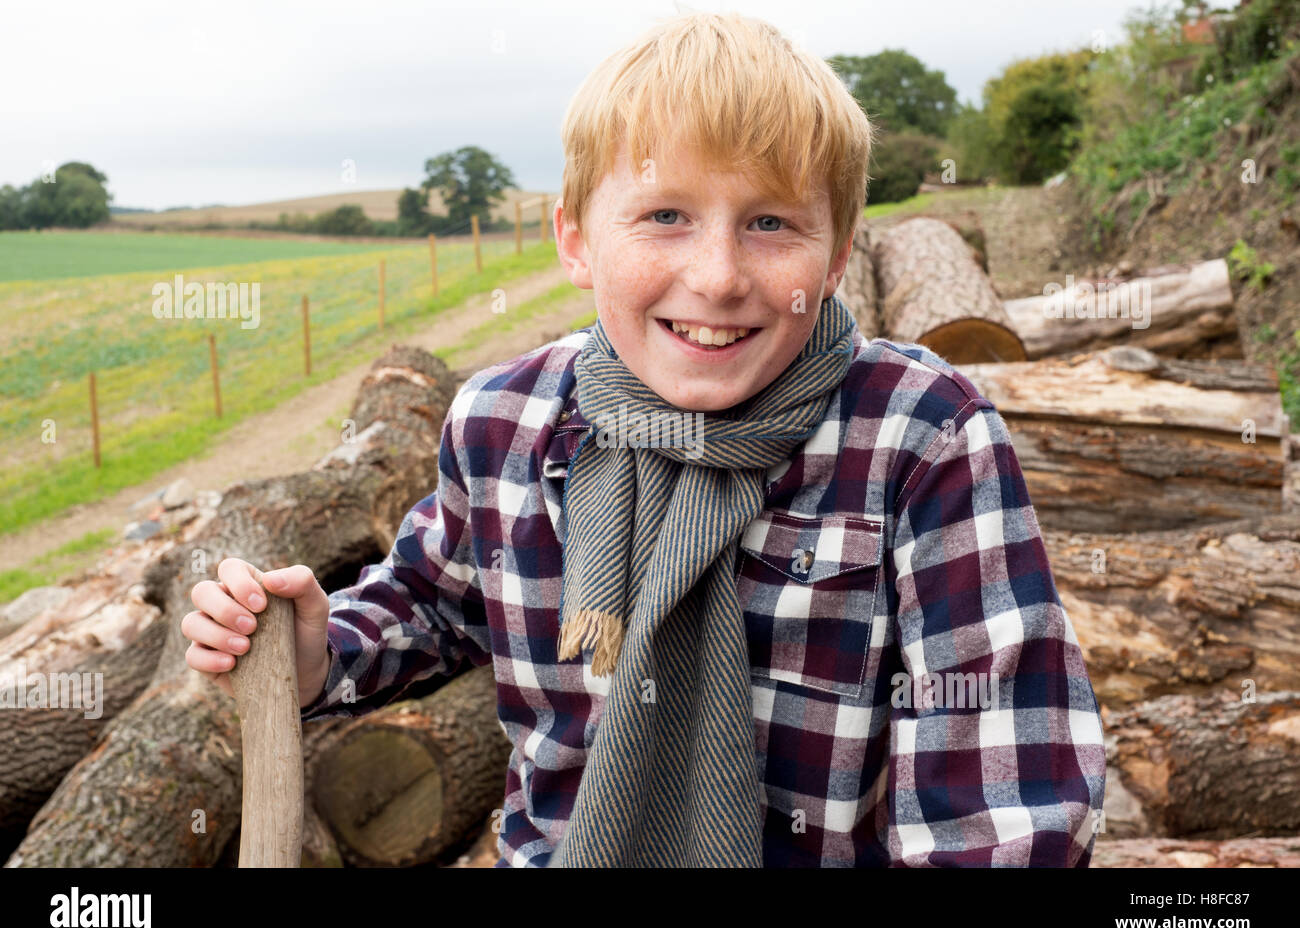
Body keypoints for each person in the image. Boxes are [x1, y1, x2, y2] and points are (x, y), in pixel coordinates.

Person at [184, 10, 1106, 867]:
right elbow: (438, 598)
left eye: (771, 223)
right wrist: (323, 653)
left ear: (834, 256)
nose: (717, 277)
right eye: (665, 215)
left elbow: (1004, 799)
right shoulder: (502, 419)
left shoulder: (924, 437)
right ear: (576, 240)